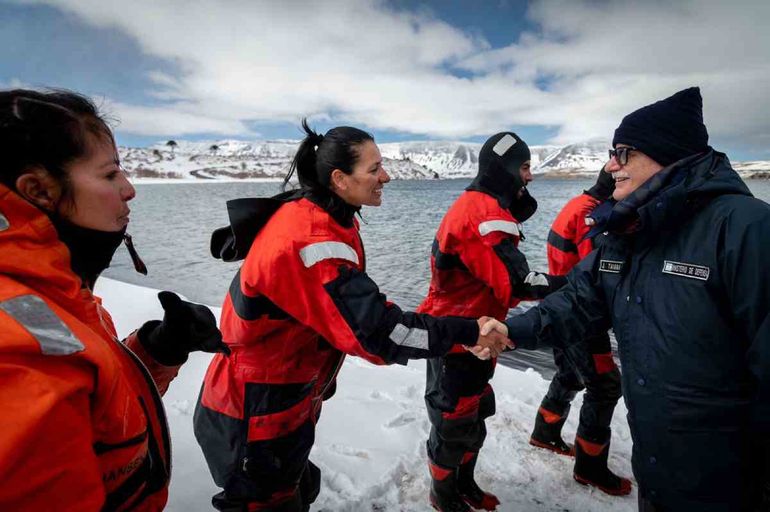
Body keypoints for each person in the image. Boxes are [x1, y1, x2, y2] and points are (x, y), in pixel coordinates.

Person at [193, 120, 511, 512]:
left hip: (277, 399)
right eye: (374, 169)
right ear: (340, 179)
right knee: (267, 501)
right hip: (254, 411)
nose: (386, 177)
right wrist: (468, 331)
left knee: (295, 488)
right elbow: (380, 334)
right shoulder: (313, 242)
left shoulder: (320, 213)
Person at [501, 87, 770, 511]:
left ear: (666, 153)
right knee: (593, 383)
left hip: (729, 484)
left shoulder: (746, 230)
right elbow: (578, 299)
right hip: (657, 471)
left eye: (623, 153)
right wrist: (509, 331)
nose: (612, 165)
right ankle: (568, 448)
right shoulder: (627, 230)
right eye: (612, 154)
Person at [0, 89, 228, 510]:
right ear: (39, 190)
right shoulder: (19, 355)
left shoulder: (56, 299)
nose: (129, 189)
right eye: (109, 175)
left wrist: (157, 350)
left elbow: (91, 404)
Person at [417, 132, 567, 511]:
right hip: (458, 338)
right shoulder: (486, 215)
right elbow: (520, 283)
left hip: (474, 332)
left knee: (474, 414)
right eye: (525, 167)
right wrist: (577, 284)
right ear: (506, 168)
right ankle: (444, 495)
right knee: (453, 422)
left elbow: (497, 281)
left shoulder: (478, 205)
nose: (530, 176)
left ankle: (464, 484)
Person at [528, 165, 632, 496]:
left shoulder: (577, 204)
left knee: (570, 374)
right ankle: (590, 467)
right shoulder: (592, 216)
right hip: (581, 315)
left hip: (562, 306)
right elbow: (598, 273)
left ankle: (545, 432)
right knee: (606, 386)